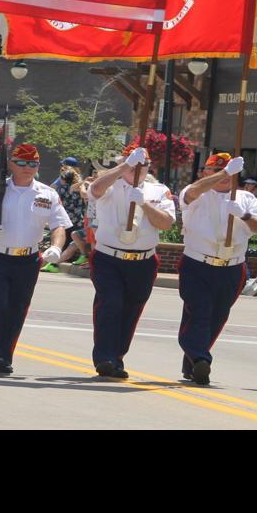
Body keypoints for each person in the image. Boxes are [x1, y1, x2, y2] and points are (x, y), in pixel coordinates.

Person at [0, 142, 71, 374]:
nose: (28, 168)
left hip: (28, 259)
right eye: (22, 163)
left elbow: (59, 226)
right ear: (11, 164)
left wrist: (56, 248)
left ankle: (5, 355)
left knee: (17, 308)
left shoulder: (47, 193)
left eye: (33, 164)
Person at [177, 152, 257, 386]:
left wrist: (243, 214)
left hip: (231, 267)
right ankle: (200, 358)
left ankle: (194, 363)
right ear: (206, 173)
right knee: (199, 312)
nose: (224, 177)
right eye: (216, 170)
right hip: (198, 264)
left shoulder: (246, 199)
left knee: (217, 318)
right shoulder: (197, 193)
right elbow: (191, 194)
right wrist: (224, 171)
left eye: (229, 172)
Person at [85, 144, 175, 378]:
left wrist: (144, 203)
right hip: (108, 258)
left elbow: (166, 223)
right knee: (110, 304)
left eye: (143, 165)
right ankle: (104, 356)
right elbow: (94, 190)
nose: (138, 169)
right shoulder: (110, 185)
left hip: (142, 261)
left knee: (131, 310)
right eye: (135, 164)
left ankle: (117, 357)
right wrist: (126, 165)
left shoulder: (158, 191)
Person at [45, 166, 90, 272]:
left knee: (61, 243)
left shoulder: (62, 188)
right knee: (68, 244)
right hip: (76, 220)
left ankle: (54, 264)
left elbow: (51, 188)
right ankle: (53, 264)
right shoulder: (78, 188)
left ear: (63, 179)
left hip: (65, 219)